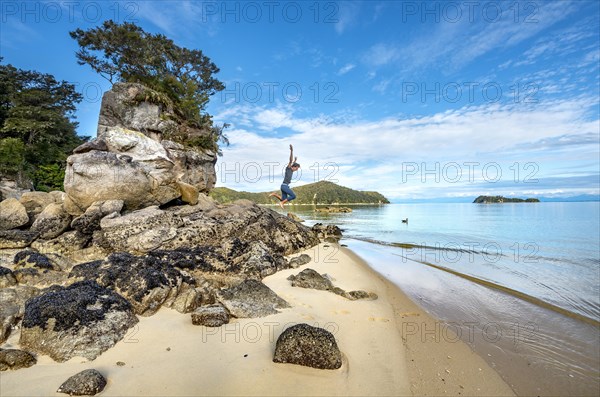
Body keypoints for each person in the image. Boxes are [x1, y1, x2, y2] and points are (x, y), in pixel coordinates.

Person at [270, 144, 300, 209]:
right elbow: (290, 161)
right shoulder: (288, 168)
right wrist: (291, 151)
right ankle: (282, 203)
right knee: (293, 196)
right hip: (284, 186)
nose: (296, 170)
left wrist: (295, 161)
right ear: (293, 167)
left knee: (283, 199)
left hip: (284, 186)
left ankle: (275, 194)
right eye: (296, 168)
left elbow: (293, 163)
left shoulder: (291, 170)